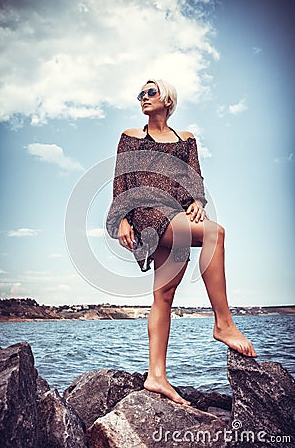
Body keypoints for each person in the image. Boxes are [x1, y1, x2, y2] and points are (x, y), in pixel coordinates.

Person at [106, 79, 257, 405]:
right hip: (148, 213)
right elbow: (121, 181)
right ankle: (224, 323)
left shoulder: (186, 139)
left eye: (150, 92)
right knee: (215, 233)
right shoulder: (131, 137)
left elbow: (194, 179)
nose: (142, 98)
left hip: (176, 214)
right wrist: (120, 219)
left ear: (167, 98)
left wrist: (198, 202)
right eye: (139, 94)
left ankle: (156, 376)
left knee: (165, 295)